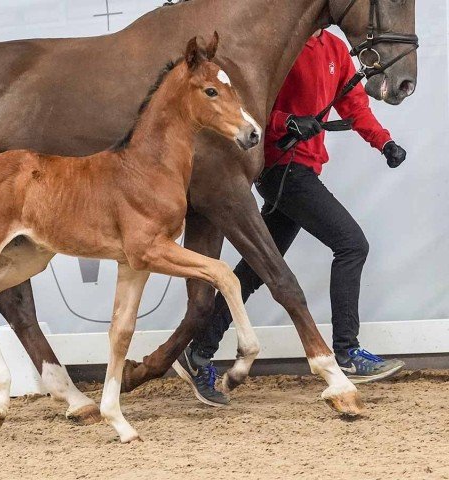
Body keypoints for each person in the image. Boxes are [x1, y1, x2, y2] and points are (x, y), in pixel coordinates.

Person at [173, 29, 408, 407]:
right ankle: (347, 351)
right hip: (282, 169)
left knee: (256, 268)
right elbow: (255, 107)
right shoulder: (283, 45)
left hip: (305, 170)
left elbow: (353, 106)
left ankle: (199, 350)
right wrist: (287, 122)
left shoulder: (333, 48)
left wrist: (384, 143)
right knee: (351, 244)